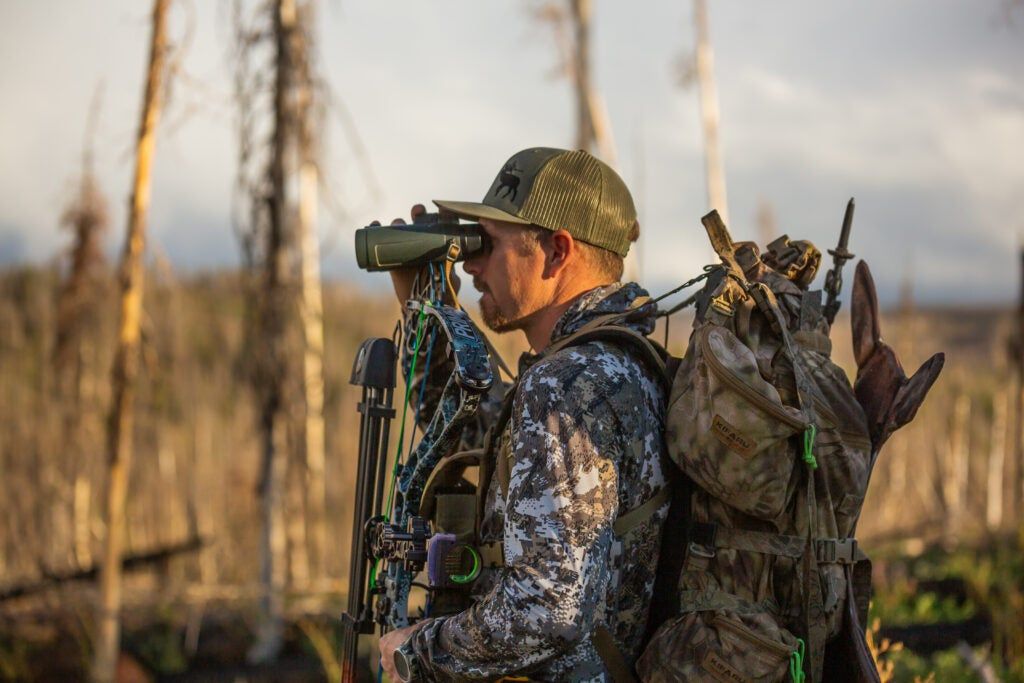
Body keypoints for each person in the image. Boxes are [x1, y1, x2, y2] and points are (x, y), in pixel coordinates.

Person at [377, 147, 669, 681]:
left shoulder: (566, 386)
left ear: (557, 251)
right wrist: (428, 307)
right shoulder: (618, 364)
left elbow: (547, 612)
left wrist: (418, 651)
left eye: (487, 244)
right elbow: (467, 428)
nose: (471, 265)